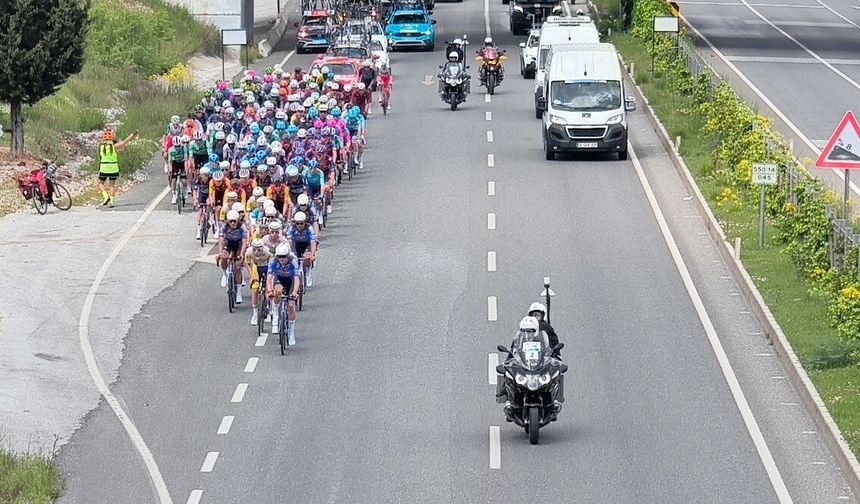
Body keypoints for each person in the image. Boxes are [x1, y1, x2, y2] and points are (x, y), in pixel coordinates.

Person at [267, 242, 300, 345]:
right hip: (279, 279)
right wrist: (270, 291)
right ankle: (276, 313)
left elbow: (296, 279)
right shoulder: (273, 261)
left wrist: (294, 292)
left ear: (288, 255)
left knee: (291, 306)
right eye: (279, 256)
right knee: (277, 291)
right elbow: (269, 278)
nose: (281, 259)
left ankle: (291, 332)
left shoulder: (293, 261)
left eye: (284, 257)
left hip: (290, 280)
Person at [97, 129, 138, 208]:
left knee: (100, 183)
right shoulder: (114, 146)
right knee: (112, 185)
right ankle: (112, 201)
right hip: (113, 167)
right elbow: (124, 142)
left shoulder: (101, 146)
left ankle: (105, 196)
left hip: (104, 167)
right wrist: (133, 134)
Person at [219, 209, 248, 305]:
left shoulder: (242, 227)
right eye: (230, 221)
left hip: (238, 244)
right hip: (228, 243)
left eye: (234, 221)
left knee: (238, 267)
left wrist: (241, 254)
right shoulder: (224, 227)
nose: (232, 223)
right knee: (224, 257)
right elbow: (221, 241)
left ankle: (239, 292)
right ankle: (224, 274)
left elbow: (244, 242)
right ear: (228, 221)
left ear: (237, 221)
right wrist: (221, 253)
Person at [245, 238, 273, 326]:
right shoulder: (248, 252)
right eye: (254, 250)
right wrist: (252, 276)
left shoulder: (268, 252)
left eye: (259, 250)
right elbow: (248, 264)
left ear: (262, 248)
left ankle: (270, 308)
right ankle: (255, 313)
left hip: (267, 268)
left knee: (268, 290)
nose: (256, 252)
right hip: (256, 268)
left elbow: (272, 267)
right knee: (255, 289)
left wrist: (269, 279)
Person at [287, 211, 318, 286]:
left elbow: (313, 242)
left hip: (306, 245)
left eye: (301, 223)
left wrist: (312, 254)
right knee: (293, 258)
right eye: (297, 223)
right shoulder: (292, 228)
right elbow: (289, 241)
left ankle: (308, 273)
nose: (299, 225)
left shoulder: (309, 227)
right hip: (296, 245)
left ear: (305, 222)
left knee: (307, 257)